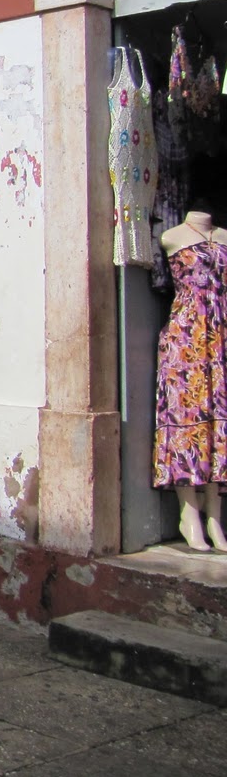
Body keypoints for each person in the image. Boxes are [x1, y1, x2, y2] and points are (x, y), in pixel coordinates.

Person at [153, 207, 227, 552]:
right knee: (188, 424)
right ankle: (190, 513)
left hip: (221, 339)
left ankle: (216, 516)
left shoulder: (225, 237)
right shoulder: (171, 237)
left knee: (220, 428)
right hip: (187, 338)